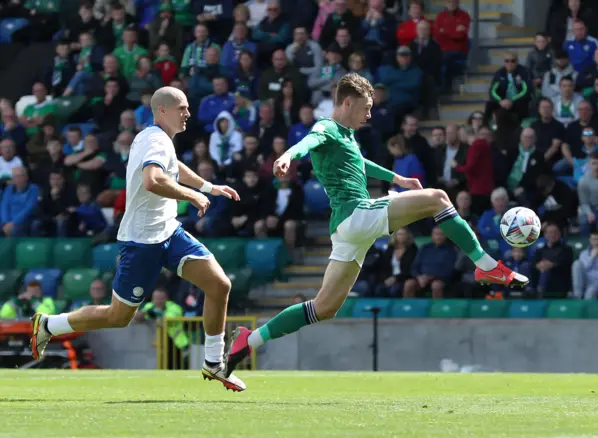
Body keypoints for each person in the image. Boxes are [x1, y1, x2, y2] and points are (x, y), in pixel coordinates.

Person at [223, 73, 528, 378]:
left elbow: (359, 162)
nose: (369, 114)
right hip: (357, 214)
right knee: (438, 198)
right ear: (347, 102)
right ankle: (486, 264)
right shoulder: (327, 127)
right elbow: (308, 141)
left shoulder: (345, 135)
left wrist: (396, 179)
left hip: (346, 229)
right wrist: (288, 155)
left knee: (323, 307)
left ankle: (249, 340)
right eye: (366, 107)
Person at [30, 86, 246, 392]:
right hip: (142, 242)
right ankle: (49, 325)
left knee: (219, 284)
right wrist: (193, 196)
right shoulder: (156, 139)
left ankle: (213, 363)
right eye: (182, 108)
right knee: (118, 317)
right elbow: (153, 180)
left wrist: (209, 187)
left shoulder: (155, 138)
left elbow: (172, 168)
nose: (187, 113)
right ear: (162, 111)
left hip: (169, 231)